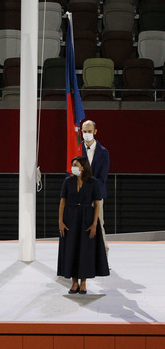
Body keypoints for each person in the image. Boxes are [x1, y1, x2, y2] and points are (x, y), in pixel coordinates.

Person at [58, 156, 109, 294]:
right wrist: (60, 222)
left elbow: (97, 203)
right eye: (72, 164)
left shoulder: (93, 183)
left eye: (75, 164)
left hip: (87, 218)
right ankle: (74, 283)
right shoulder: (68, 182)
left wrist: (94, 224)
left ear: (83, 166)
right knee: (71, 249)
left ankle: (84, 283)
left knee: (85, 251)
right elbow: (62, 202)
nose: (73, 167)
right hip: (71, 219)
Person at [81, 120, 110, 255]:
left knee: (98, 225)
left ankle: (104, 257)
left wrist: (89, 188)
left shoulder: (103, 152)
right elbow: (70, 173)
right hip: (79, 195)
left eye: (89, 131)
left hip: (96, 196)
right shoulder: (75, 149)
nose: (87, 134)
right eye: (84, 131)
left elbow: (103, 178)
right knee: (79, 226)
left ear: (95, 132)